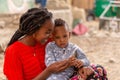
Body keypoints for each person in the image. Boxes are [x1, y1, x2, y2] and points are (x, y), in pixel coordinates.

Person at [3, 8, 71, 80]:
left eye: (52, 32)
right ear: (34, 31)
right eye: (47, 32)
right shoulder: (13, 52)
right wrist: (49, 71)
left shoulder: (48, 42)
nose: (51, 36)